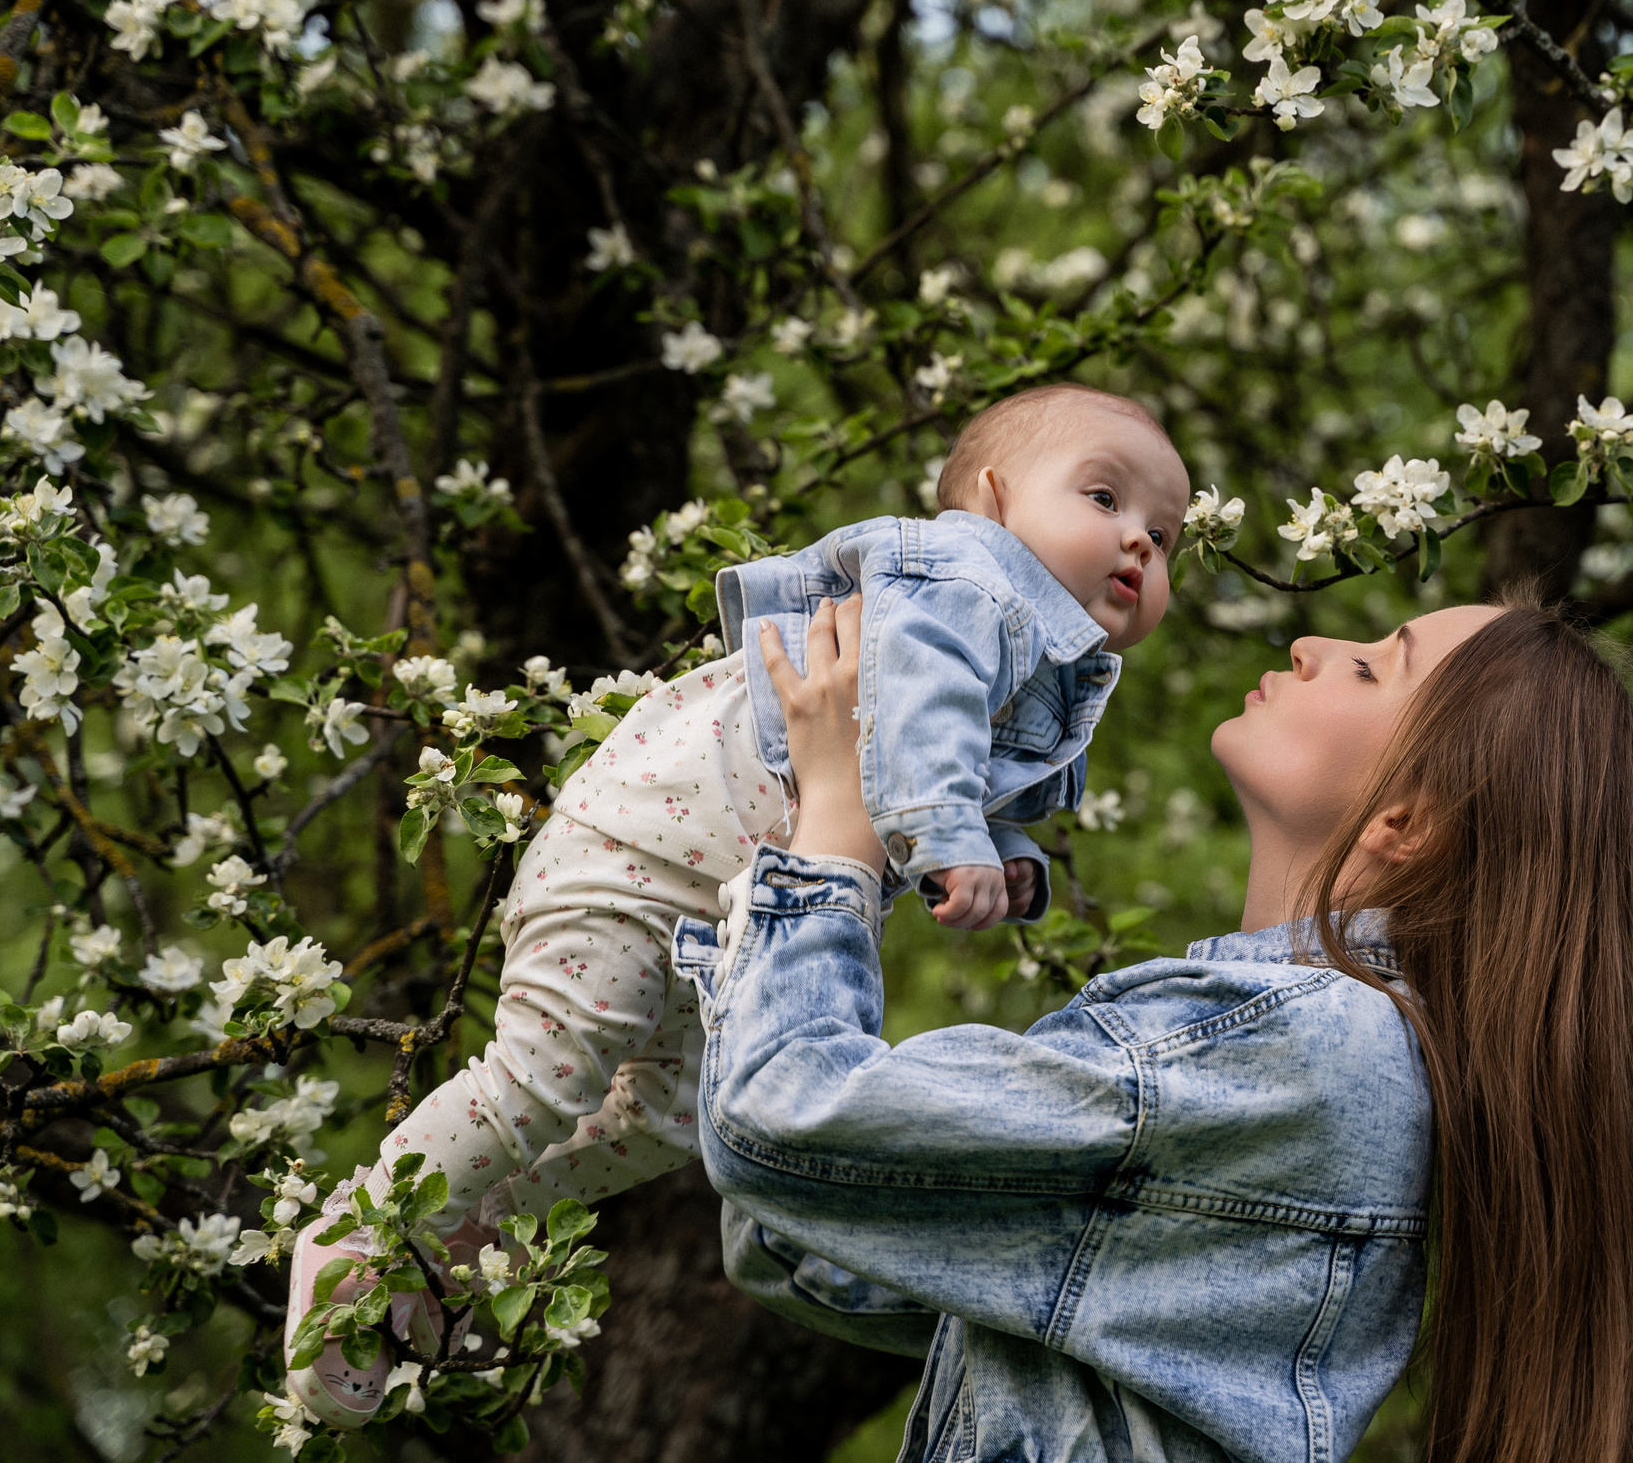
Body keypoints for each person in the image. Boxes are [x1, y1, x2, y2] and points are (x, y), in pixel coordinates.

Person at [282, 383, 1192, 1427]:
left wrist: (1006, 861)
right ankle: (361, 1223)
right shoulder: (965, 580)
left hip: (730, 918)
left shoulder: (1046, 675)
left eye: (1162, 536)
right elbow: (922, 712)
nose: (1135, 542)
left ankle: (468, 1218)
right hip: (637, 853)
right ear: (990, 501)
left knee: (676, 1121)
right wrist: (947, 837)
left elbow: (971, 788)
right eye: (1103, 498)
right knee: (550, 1069)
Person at [680, 589, 1633, 1463]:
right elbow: (806, 1246)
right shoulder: (1319, 1062)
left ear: (1408, 822)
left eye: (1376, 668)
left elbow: (780, 1122)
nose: (1313, 648)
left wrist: (834, 846)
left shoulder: (1309, 1053)